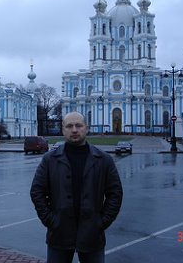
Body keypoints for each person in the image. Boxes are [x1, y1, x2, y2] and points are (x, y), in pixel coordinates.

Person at [30, 111, 123, 263]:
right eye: (69, 126)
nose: (74, 130)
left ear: (86, 128)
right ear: (63, 130)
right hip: (59, 234)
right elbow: (37, 191)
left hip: (92, 235)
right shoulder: (50, 160)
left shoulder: (103, 160)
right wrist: (51, 220)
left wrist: (102, 222)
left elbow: (115, 193)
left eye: (78, 125)